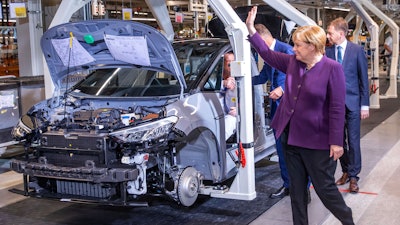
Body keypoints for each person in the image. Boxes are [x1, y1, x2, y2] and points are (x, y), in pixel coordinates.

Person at [246, 6, 354, 225]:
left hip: (316, 141)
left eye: (297, 45)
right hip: (290, 137)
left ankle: (347, 219)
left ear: (312, 47)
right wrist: (250, 29)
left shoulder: (332, 69)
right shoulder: (293, 62)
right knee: (297, 191)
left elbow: (336, 108)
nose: (293, 49)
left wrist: (336, 142)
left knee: (325, 190)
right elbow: (267, 53)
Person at [326, 17, 370, 194]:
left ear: (341, 33)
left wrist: (365, 105)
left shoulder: (356, 50)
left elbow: (363, 79)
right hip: (333, 106)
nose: (328, 35)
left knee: (353, 141)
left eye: (330, 32)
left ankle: (354, 177)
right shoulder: (327, 52)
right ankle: (345, 171)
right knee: (338, 141)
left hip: (352, 103)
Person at [251, 23, 293, 199]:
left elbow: (299, 75)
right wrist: (238, 79)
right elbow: (262, 77)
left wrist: (282, 89)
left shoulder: (288, 50)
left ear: (262, 39)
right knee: (281, 150)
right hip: (277, 111)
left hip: (292, 109)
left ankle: (303, 189)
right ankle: (288, 185)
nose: (256, 49)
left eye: (256, 45)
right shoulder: (268, 56)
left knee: (296, 151)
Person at [221, 52, 237, 141]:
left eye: (233, 61)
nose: (231, 64)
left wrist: (239, 110)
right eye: (228, 62)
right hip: (217, 114)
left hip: (232, 115)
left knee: (229, 122)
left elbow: (249, 99)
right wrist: (224, 83)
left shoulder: (240, 79)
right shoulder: (217, 78)